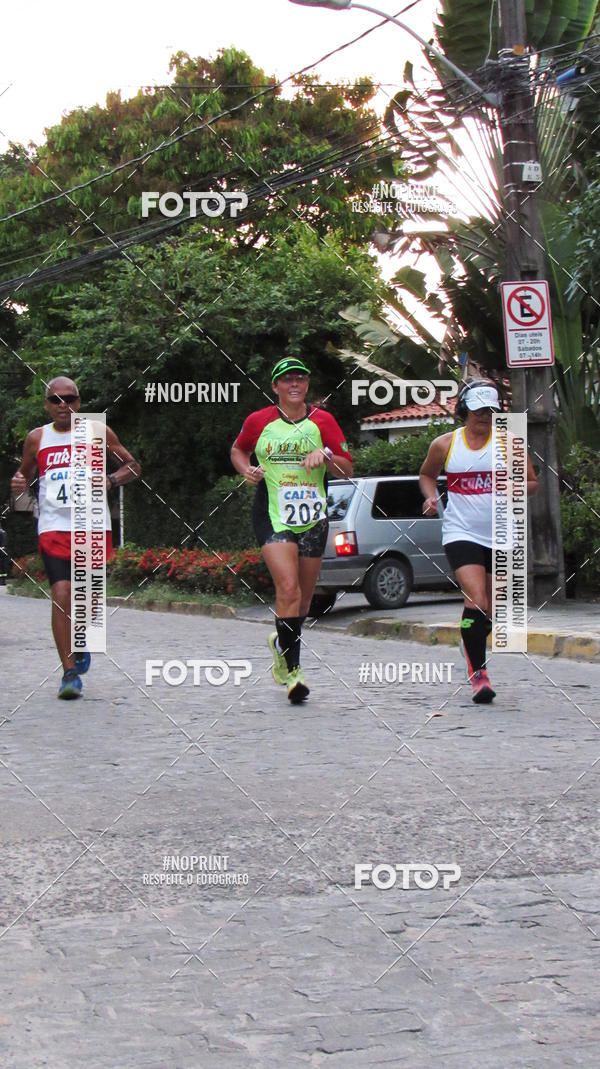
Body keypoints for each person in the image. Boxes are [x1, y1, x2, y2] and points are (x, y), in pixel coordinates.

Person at [231, 357, 353, 703]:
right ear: (275, 387)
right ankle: (294, 673)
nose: (294, 384)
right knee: (287, 586)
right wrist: (246, 469)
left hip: (313, 516)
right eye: (287, 380)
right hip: (273, 514)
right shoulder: (259, 421)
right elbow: (238, 449)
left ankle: (281, 643)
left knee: (302, 597)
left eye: (300, 378)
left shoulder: (323, 422)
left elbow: (346, 470)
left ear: (307, 384)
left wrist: (325, 457)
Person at [11, 376, 141, 700]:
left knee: (90, 600)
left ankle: (81, 638)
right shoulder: (36, 438)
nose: (62, 405)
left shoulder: (98, 431)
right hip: (54, 526)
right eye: (55, 400)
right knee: (62, 592)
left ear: (79, 403)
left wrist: (110, 480)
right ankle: (69, 673)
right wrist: (19, 486)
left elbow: (134, 466)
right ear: (47, 405)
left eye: (69, 398)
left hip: (92, 526)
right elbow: (23, 477)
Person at [419, 380, 538, 704]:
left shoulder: (510, 442)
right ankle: (479, 675)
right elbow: (427, 475)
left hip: (502, 533)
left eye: (490, 410)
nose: (484, 417)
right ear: (464, 411)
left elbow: (532, 482)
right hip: (462, 532)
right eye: (477, 410)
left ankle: (470, 640)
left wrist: (516, 488)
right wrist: (431, 498)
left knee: (495, 609)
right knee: (476, 598)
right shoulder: (445, 444)